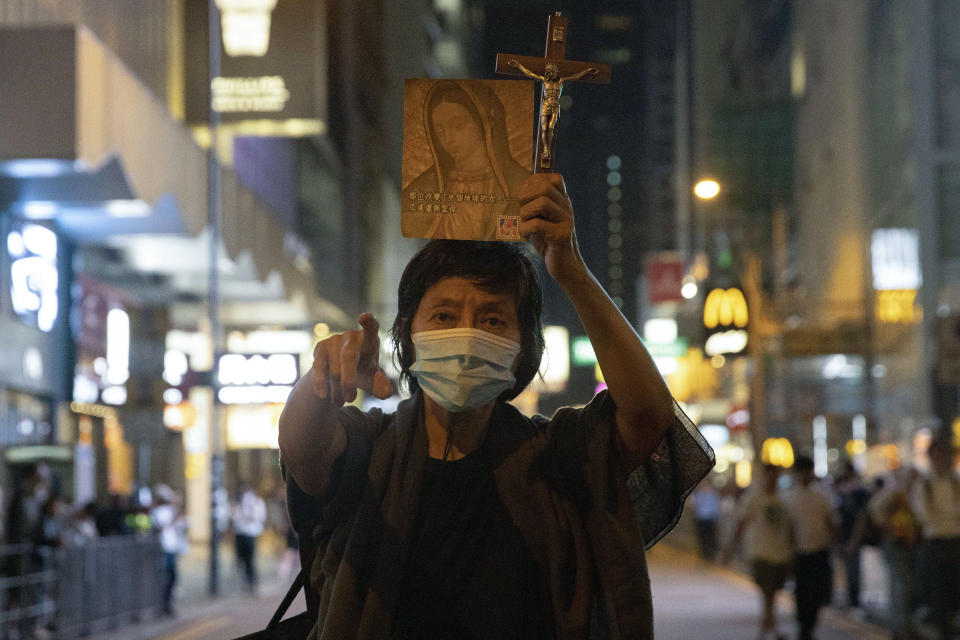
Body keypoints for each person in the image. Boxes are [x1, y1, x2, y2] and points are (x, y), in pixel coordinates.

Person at [278, 173, 714, 639]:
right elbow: (303, 449)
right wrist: (320, 384)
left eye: (492, 319)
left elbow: (648, 415)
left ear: (523, 347)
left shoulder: (557, 456)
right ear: (407, 333)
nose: (468, 336)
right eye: (444, 316)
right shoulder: (369, 448)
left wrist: (571, 270)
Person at [401, 80, 531, 241]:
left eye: (457, 126)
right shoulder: (423, 189)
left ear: (484, 124)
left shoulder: (522, 186)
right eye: (440, 132)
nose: (448, 139)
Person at [723, 464, 793, 640]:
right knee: (767, 591)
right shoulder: (753, 498)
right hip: (760, 552)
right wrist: (731, 548)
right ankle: (769, 629)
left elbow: (790, 527)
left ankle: (768, 628)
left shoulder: (784, 498)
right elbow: (742, 523)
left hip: (781, 553)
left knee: (772, 593)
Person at [912, 435, 960, 640]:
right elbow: (925, 516)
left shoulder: (954, 483)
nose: (940, 459)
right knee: (938, 592)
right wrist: (948, 515)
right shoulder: (924, 485)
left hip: (955, 540)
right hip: (936, 542)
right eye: (937, 454)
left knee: (955, 589)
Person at [785, 455, 837, 640]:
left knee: (817, 593)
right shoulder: (790, 497)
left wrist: (834, 546)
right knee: (802, 592)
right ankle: (804, 627)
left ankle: (809, 626)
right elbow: (789, 528)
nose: (805, 475)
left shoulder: (822, 496)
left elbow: (830, 523)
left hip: (819, 550)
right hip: (800, 552)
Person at [868, 466, 921, 640]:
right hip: (896, 545)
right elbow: (876, 514)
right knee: (900, 586)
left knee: (907, 585)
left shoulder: (910, 496)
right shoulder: (893, 495)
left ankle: (905, 624)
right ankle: (900, 626)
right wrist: (891, 531)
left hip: (908, 545)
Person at [834, 460, 871, 610]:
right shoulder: (839, 493)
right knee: (845, 569)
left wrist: (855, 540)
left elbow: (861, 518)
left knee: (853, 569)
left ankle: (854, 600)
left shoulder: (858, 493)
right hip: (842, 537)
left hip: (852, 537)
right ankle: (849, 598)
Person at [151, 485, 188, 616]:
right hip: (163, 549)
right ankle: (163, 605)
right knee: (164, 578)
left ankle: (168, 604)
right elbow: (159, 527)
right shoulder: (158, 512)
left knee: (172, 578)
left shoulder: (170, 511)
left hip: (172, 548)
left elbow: (182, 525)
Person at [232, 484, 267, 594]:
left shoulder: (257, 503)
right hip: (240, 533)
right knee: (240, 559)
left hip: (250, 534)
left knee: (250, 559)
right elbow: (234, 517)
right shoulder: (239, 504)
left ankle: (251, 582)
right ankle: (244, 580)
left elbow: (259, 517)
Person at [691, 481, 721, 561]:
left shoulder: (713, 496)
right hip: (701, 519)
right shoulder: (699, 495)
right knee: (702, 536)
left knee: (709, 536)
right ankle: (703, 552)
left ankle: (709, 553)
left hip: (709, 520)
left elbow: (715, 508)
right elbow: (694, 504)